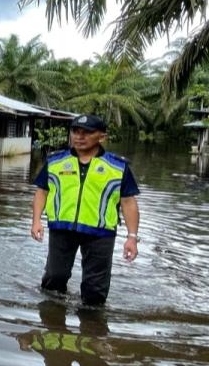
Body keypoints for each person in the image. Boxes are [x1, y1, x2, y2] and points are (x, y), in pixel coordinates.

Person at [30, 114, 140, 306]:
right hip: (62, 228)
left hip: (100, 233)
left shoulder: (117, 166)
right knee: (54, 279)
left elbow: (128, 202)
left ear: (102, 137)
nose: (79, 137)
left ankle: (92, 329)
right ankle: (52, 320)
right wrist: (36, 221)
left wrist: (132, 237)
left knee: (95, 292)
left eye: (86, 132)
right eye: (75, 131)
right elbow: (42, 192)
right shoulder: (55, 162)